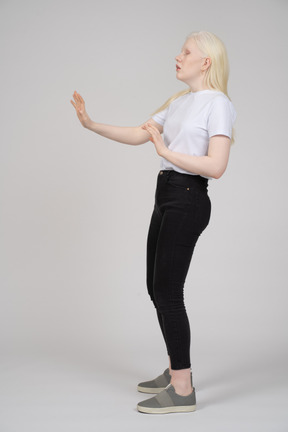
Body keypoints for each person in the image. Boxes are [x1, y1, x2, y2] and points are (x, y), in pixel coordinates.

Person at [70, 30, 237, 415]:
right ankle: (175, 368)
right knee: (155, 287)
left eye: (186, 52)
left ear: (205, 62)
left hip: (189, 198)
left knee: (168, 291)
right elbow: (138, 133)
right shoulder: (179, 101)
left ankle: (182, 388)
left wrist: (166, 150)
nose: (177, 57)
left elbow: (217, 166)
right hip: (166, 195)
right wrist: (91, 124)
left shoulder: (219, 104)